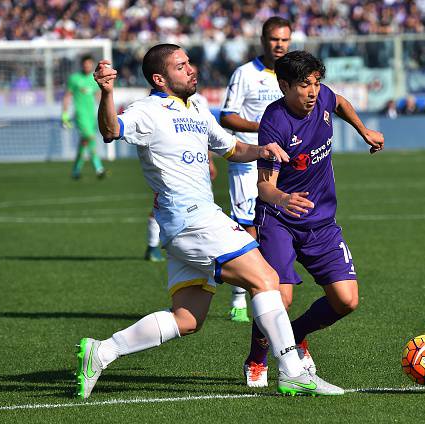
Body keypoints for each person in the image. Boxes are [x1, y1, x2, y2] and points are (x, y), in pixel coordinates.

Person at [77, 43, 344, 399]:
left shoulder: (198, 107)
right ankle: (292, 371)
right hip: (192, 219)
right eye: (181, 66)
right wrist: (107, 93)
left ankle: (102, 351)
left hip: (184, 226)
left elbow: (230, 147)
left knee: (188, 319)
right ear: (160, 78)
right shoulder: (147, 111)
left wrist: (261, 150)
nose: (192, 69)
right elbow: (111, 130)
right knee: (266, 279)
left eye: (190, 63)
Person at [242, 50, 384, 388]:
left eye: (316, 83)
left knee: (346, 300)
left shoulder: (322, 99)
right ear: (284, 85)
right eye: (304, 85)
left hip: (321, 222)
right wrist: (283, 199)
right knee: (281, 296)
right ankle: (257, 359)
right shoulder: (274, 123)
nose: (313, 92)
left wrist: (364, 130)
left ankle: (298, 333)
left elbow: (341, 102)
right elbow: (264, 187)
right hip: (279, 219)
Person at [220, 17, 291, 323]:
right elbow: (227, 116)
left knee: (276, 226)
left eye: (285, 40)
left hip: (283, 161)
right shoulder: (245, 74)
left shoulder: (292, 75)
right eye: (275, 39)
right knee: (248, 226)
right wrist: (263, 127)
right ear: (263, 40)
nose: (280, 45)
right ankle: (240, 296)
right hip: (248, 161)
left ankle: (267, 287)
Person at [144, 69, 217, 263]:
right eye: (182, 68)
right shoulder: (157, 104)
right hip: (170, 162)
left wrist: (209, 160)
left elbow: (205, 135)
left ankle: (193, 247)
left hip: (195, 164)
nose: (190, 73)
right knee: (161, 201)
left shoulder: (200, 102)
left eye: (190, 69)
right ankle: (152, 246)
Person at [62, 55, 107, 179]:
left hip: (91, 115)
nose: (87, 66)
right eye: (85, 64)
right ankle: (99, 168)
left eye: (89, 64)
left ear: (91, 65)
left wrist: (105, 111)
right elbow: (67, 96)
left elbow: (98, 96)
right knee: (90, 138)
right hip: (80, 115)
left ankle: (76, 170)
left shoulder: (94, 79)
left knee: (84, 142)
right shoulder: (74, 78)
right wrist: (64, 115)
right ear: (82, 65)